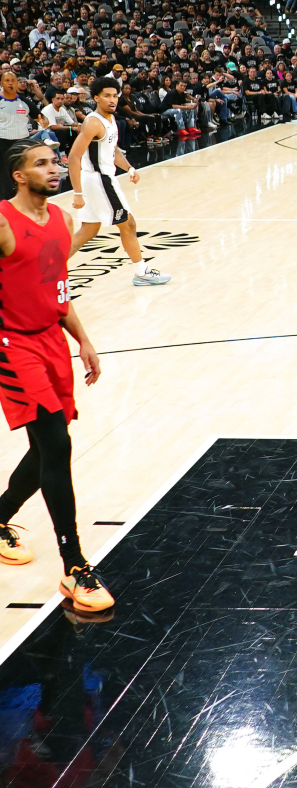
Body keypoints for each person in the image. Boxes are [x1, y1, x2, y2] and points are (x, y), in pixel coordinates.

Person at [0, 138, 112, 612]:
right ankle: (75, 566)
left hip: (51, 341)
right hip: (13, 345)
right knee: (57, 446)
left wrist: (82, 340)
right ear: (19, 175)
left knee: (46, 445)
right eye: (42, 164)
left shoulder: (63, 221)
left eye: (55, 162)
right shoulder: (3, 221)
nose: (55, 169)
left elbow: (58, 291)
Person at [66, 78, 171, 286]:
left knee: (88, 231)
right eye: (107, 95)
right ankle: (141, 271)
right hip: (99, 181)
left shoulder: (111, 120)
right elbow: (73, 157)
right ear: (96, 97)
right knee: (128, 224)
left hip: (101, 179)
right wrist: (77, 192)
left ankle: (44, 270)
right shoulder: (93, 122)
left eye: (115, 95)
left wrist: (130, 168)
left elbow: (112, 151)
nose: (112, 100)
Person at [0, 71, 33, 154]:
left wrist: (44, 120)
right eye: (7, 80)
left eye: (13, 80)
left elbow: (41, 118)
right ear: (1, 83)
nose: (10, 83)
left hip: (23, 141)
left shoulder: (25, 101)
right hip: (3, 141)